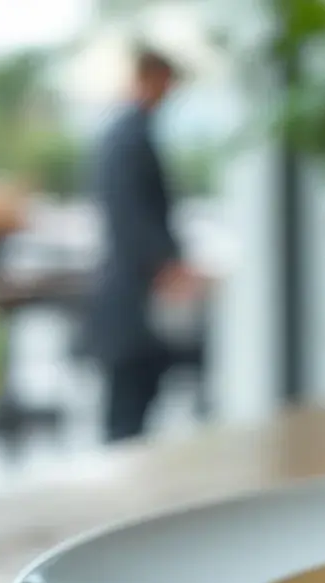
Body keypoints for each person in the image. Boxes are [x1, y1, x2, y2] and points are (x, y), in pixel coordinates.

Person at [85, 48, 205, 442]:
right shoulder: (127, 138)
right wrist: (167, 265)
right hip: (131, 297)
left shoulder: (130, 134)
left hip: (135, 293)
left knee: (138, 405)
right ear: (150, 78)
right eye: (167, 82)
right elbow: (132, 216)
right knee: (127, 413)